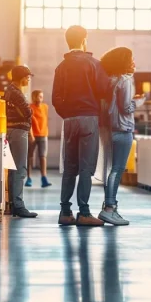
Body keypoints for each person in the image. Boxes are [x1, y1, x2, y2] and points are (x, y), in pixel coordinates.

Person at [51, 25, 110, 226]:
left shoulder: (61, 67)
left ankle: (65, 212)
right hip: (88, 119)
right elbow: (104, 90)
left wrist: (67, 114)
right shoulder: (94, 63)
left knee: (70, 167)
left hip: (69, 121)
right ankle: (84, 213)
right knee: (86, 168)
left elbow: (56, 99)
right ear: (84, 39)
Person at [98, 47, 142, 226]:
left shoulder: (109, 80)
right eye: (131, 59)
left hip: (109, 129)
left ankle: (110, 205)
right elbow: (126, 107)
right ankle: (109, 208)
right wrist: (140, 100)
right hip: (123, 130)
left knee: (111, 169)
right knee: (117, 170)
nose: (134, 62)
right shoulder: (126, 80)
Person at [2, 66, 38, 218]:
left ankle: (12, 204)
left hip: (11, 131)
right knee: (20, 169)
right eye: (27, 76)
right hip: (18, 133)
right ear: (20, 77)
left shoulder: (9, 90)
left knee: (12, 169)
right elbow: (28, 112)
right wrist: (29, 111)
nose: (29, 79)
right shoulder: (16, 93)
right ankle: (18, 205)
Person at [27, 90, 52, 188]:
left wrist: (45, 132)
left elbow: (45, 120)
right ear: (34, 97)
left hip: (43, 134)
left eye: (42, 97)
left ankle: (44, 178)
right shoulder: (29, 107)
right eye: (39, 97)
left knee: (43, 156)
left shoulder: (45, 107)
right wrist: (31, 134)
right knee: (30, 156)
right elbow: (29, 122)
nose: (40, 99)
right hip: (33, 135)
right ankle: (28, 178)